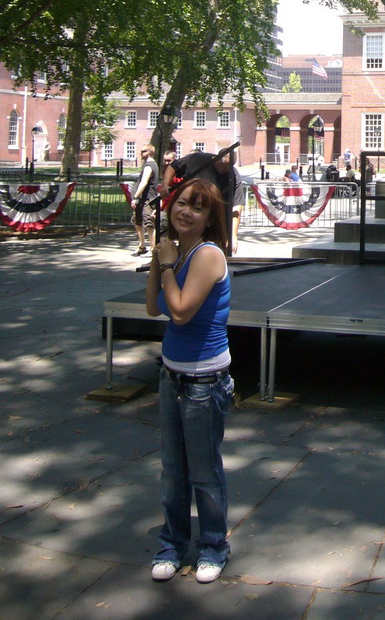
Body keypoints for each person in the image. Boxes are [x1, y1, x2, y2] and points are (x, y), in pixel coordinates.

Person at [145, 179, 234, 583]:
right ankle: (172, 545)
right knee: (171, 471)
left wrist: (166, 265)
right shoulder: (175, 253)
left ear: (209, 218)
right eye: (180, 203)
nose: (185, 212)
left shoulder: (207, 255)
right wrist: (158, 260)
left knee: (203, 472)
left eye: (196, 208)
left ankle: (214, 546)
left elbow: (179, 312)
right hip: (171, 375)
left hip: (204, 381)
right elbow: (152, 308)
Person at [162, 149, 243, 255]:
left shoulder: (233, 175)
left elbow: (237, 206)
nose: (226, 169)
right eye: (224, 165)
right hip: (193, 220)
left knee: (212, 253)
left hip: (214, 222)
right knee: (187, 250)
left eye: (229, 166)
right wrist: (165, 184)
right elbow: (173, 166)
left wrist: (233, 235)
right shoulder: (196, 159)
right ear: (217, 158)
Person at [131, 144, 159, 256]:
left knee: (149, 224)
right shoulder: (148, 164)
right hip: (143, 198)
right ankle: (142, 246)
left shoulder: (149, 165)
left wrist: (135, 197)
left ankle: (153, 249)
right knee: (137, 221)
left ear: (149, 152)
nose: (140, 153)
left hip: (148, 198)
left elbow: (144, 182)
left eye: (143, 151)